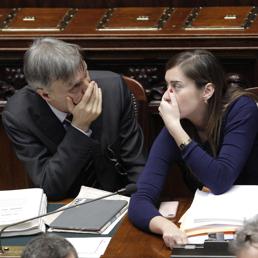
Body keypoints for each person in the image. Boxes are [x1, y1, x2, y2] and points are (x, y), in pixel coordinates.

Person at [128, 50, 258, 248]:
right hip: (211, 227)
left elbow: (220, 180)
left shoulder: (241, 110)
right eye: (167, 86)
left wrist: (176, 130)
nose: (166, 96)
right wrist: (165, 226)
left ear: (207, 91)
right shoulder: (177, 125)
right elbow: (141, 198)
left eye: (176, 87)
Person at [2, 37, 145, 200]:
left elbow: (137, 167)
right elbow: (49, 187)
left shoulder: (113, 89)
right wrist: (79, 128)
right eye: (75, 86)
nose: (89, 87)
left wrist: (141, 206)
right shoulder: (20, 115)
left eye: (86, 73)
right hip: (64, 207)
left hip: (122, 201)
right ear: (46, 94)